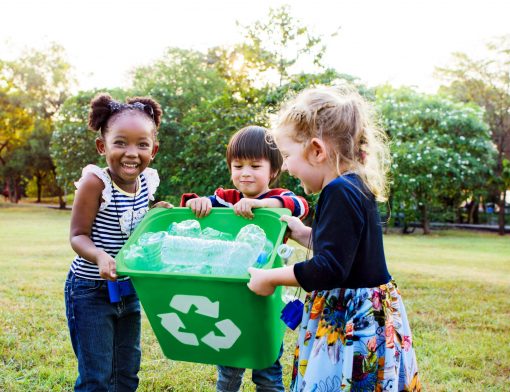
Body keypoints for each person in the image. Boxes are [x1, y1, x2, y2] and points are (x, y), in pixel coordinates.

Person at [247, 87, 421, 391]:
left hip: (352, 320)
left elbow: (329, 268)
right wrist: (302, 233)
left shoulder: (338, 191)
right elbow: (344, 250)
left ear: (317, 151)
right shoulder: (354, 185)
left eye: (287, 156)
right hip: (371, 312)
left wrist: (270, 278)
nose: (285, 166)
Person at [180, 125, 309, 392]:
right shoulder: (227, 199)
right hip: (229, 295)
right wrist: (197, 203)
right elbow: (196, 206)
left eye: (254, 166)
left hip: (267, 297)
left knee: (268, 370)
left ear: (272, 171)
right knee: (228, 366)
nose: (245, 173)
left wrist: (259, 204)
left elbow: (298, 205)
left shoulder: (277, 198)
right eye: (238, 166)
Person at [65, 93, 172, 391]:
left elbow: (133, 227)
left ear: (154, 149)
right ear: (103, 146)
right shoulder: (95, 183)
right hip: (90, 291)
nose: (131, 153)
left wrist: (154, 215)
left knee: (127, 371)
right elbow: (77, 236)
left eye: (142, 144)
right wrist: (99, 256)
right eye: (120, 142)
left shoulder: (148, 181)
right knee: (96, 375)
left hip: (129, 289)